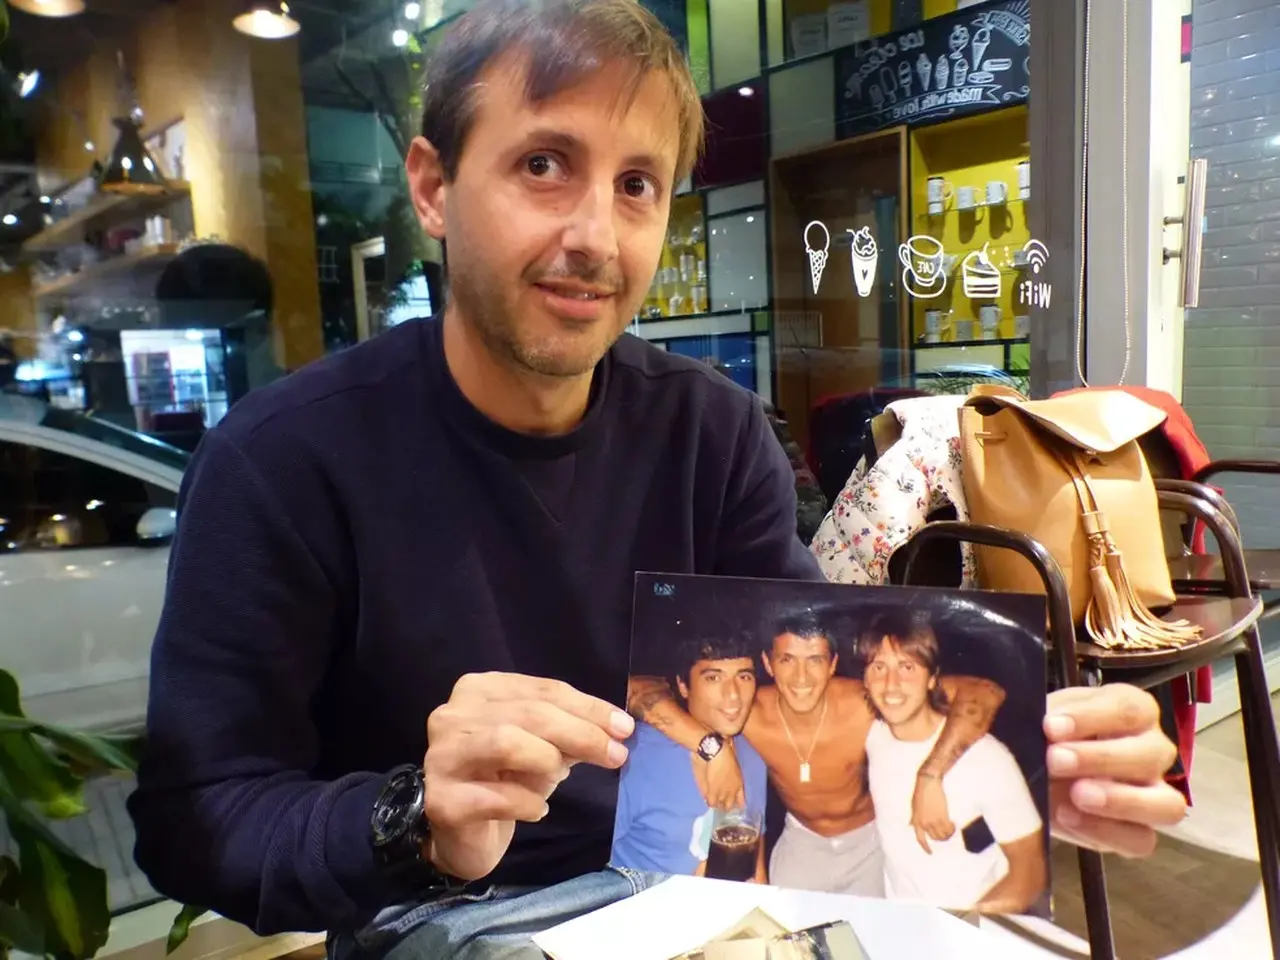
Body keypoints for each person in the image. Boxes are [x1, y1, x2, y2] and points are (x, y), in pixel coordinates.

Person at [126, 2, 1188, 958]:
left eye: (636, 185)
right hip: (439, 914)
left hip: (701, 888)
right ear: (433, 186)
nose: (592, 236)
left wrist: (998, 755)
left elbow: (790, 690)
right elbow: (195, 821)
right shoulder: (281, 462)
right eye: (543, 164)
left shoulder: (710, 431)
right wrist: (414, 816)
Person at [630, 607, 1005, 896]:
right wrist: (709, 746)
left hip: (871, 843)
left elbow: (983, 692)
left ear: (834, 664)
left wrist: (931, 775)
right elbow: (637, 687)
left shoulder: (866, 702)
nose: (802, 678)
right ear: (768, 665)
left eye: (815, 660)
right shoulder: (745, 709)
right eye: (787, 660)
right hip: (801, 843)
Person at [858, 611, 1047, 914]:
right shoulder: (873, 734)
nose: (891, 684)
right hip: (900, 919)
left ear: (933, 679)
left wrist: (960, 929)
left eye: (907, 667)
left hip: (972, 922)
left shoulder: (986, 759)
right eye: (878, 667)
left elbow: (1030, 875)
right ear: (865, 679)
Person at [611, 634, 768, 881]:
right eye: (713, 677)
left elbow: (755, 868)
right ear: (683, 686)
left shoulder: (753, 757)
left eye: (744, 676)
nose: (734, 695)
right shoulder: (634, 758)